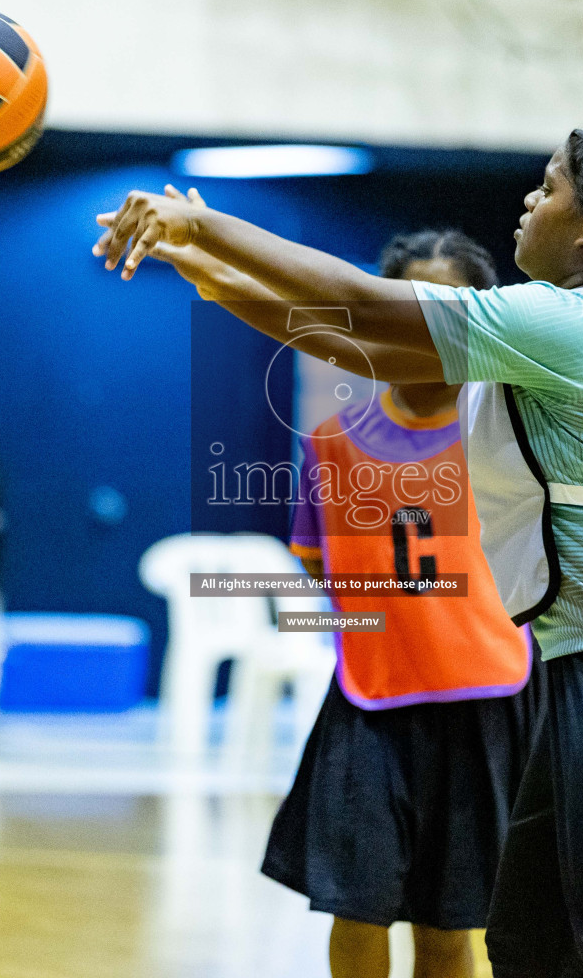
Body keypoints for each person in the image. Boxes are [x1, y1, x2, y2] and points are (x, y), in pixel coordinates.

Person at [96, 123, 583, 977]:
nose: (530, 200)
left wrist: (202, 226)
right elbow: (357, 341)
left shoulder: (575, 322)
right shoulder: (541, 337)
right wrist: (207, 269)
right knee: (529, 938)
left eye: (551, 187)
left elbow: (361, 303)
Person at [167, 219, 540, 978]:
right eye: (406, 309)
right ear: (375, 317)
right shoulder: (333, 443)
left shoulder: (509, 429)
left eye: (447, 316)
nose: (424, 334)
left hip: (488, 707)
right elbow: (319, 563)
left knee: (447, 925)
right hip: (369, 702)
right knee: (355, 903)